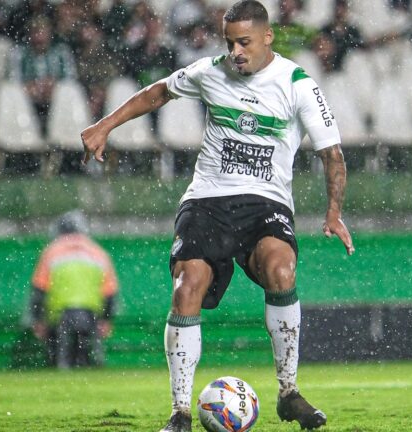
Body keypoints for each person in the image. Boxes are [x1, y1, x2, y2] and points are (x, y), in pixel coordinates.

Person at [80, 1, 354, 430]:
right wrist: (104, 126)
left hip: (265, 201)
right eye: (230, 43)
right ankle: (179, 411)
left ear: (268, 38)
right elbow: (158, 92)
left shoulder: (298, 83)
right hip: (207, 199)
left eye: (245, 42)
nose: (236, 52)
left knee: (282, 270)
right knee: (187, 286)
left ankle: (288, 392)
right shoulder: (210, 71)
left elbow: (332, 155)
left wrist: (333, 212)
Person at [29, 210, 119, 369]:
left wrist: (37, 320)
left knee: (57, 348)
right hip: (91, 313)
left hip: (59, 314)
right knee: (86, 349)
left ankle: (59, 367)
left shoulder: (51, 252)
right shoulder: (98, 253)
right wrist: (106, 319)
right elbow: (110, 293)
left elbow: (39, 291)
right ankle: (87, 365)